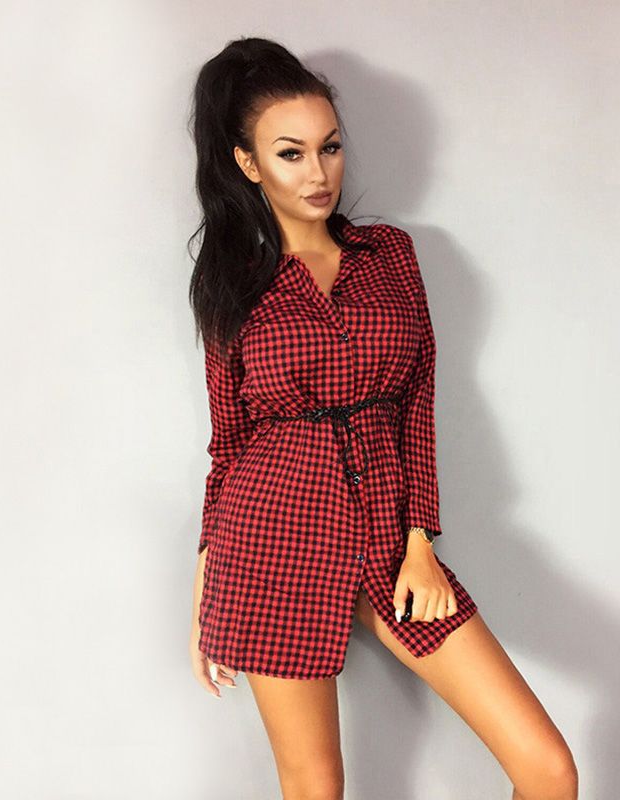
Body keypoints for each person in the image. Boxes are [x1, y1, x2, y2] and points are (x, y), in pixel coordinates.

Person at [186, 35, 578, 800]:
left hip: (387, 538)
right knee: (315, 787)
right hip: (271, 546)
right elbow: (229, 445)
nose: (318, 173)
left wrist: (420, 541)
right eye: (291, 154)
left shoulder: (390, 254)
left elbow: (418, 401)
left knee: (547, 765)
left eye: (329, 148)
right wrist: (207, 585)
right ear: (247, 163)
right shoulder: (230, 286)